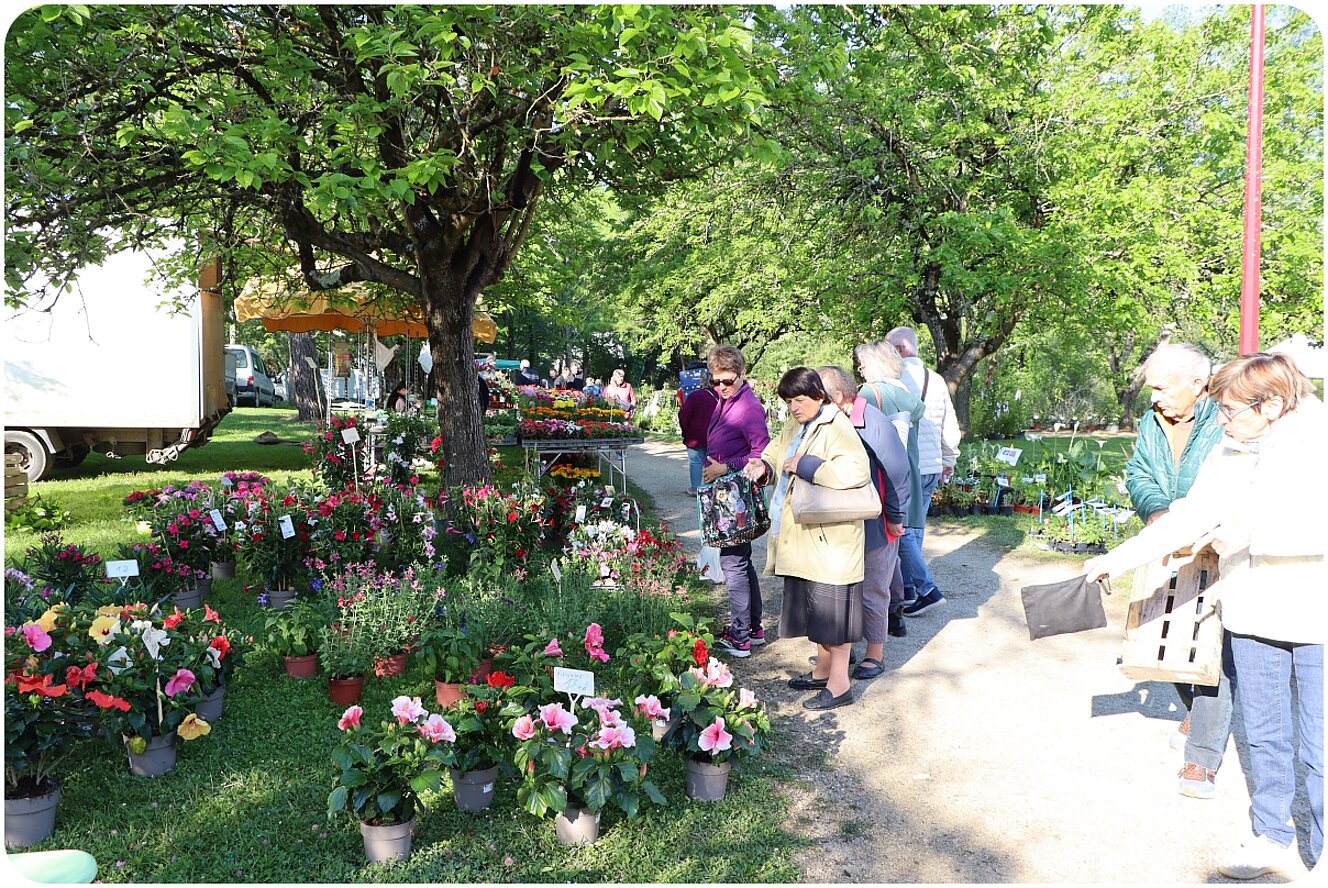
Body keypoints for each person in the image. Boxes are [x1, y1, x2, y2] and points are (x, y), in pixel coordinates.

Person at [1085, 353, 1324, 880]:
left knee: (1320, 742)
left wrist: (1255, 536)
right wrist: (1113, 560)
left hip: (1315, 618)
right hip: (1252, 614)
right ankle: (1270, 835)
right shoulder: (1231, 447)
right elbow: (1190, 515)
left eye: (1233, 411)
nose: (1221, 421)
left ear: (1275, 406)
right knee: (1263, 734)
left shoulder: (1317, 444)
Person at [1124, 342, 1230, 799]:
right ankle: (1195, 712)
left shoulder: (1227, 418)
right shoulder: (1153, 421)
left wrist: (1197, 523)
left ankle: (1201, 759)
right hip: (1166, 541)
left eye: (1163, 388)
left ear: (1197, 383)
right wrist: (1155, 514)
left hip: (1217, 546)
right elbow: (1139, 473)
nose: (1154, 399)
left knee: (1210, 649)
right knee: (1166, 637)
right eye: (1151, 389)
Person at [742, 367, 870, 710]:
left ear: (818, 395)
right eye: (788, 402)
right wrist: (764, 467)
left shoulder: (837, 425)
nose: (793, 407)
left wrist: (808, 466)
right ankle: (822, 672)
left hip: (832, 541)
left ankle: (840, 685)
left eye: (799, 400)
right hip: (806, 538)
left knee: (832, 615)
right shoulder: (797, 422)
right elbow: (777, 450)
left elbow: (857, 470)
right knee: (814, 610)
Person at [817, 366, 910, 679]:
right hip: (845, 522)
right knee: (847, 589)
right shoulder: (833, 420)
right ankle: (845, 648)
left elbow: (897, 472)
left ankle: (876, 653)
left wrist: (896, 517)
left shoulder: (873, 422)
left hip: (877, 524)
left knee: (873, 589)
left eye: (821, 395)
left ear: (839, 396)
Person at [854, 339, 930, 630]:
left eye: (862, 365)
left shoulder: (869, 394)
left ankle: (887, 614)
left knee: (879, 551)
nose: (860, 371)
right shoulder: (906, 393)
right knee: (892, 545)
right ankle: (895, 612)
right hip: (906, 469)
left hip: (880, 474)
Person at [701, 345, 771, 657]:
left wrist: (725, 467)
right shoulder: (727, 400)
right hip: (726, 495)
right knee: (741, 561)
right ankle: (753, 627)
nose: (721, 387)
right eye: (715, 381)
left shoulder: (749, 407)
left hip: (736, 498)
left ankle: (740, 635)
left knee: (733, 563)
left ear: (742, 375)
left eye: (727, 381)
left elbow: (762, 453)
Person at [885, 327, 960, 613]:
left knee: (901, 529)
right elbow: (949, 425)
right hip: (931, 465)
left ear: (902, 348)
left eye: (890, 347)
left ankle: (926, 589)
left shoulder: (896, 379)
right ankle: (909, 589)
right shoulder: (938, 379)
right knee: (915, 527)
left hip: (909, 465)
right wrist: (949, 458)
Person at [679, 379, 721, 496]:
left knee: (695, 462)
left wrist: (685, 430)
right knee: (713, 462)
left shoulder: (695, 396)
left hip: (695, 435)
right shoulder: (722, 397)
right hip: (715, 436)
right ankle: (710, 488)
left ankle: (695, 489)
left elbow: (684, 415)